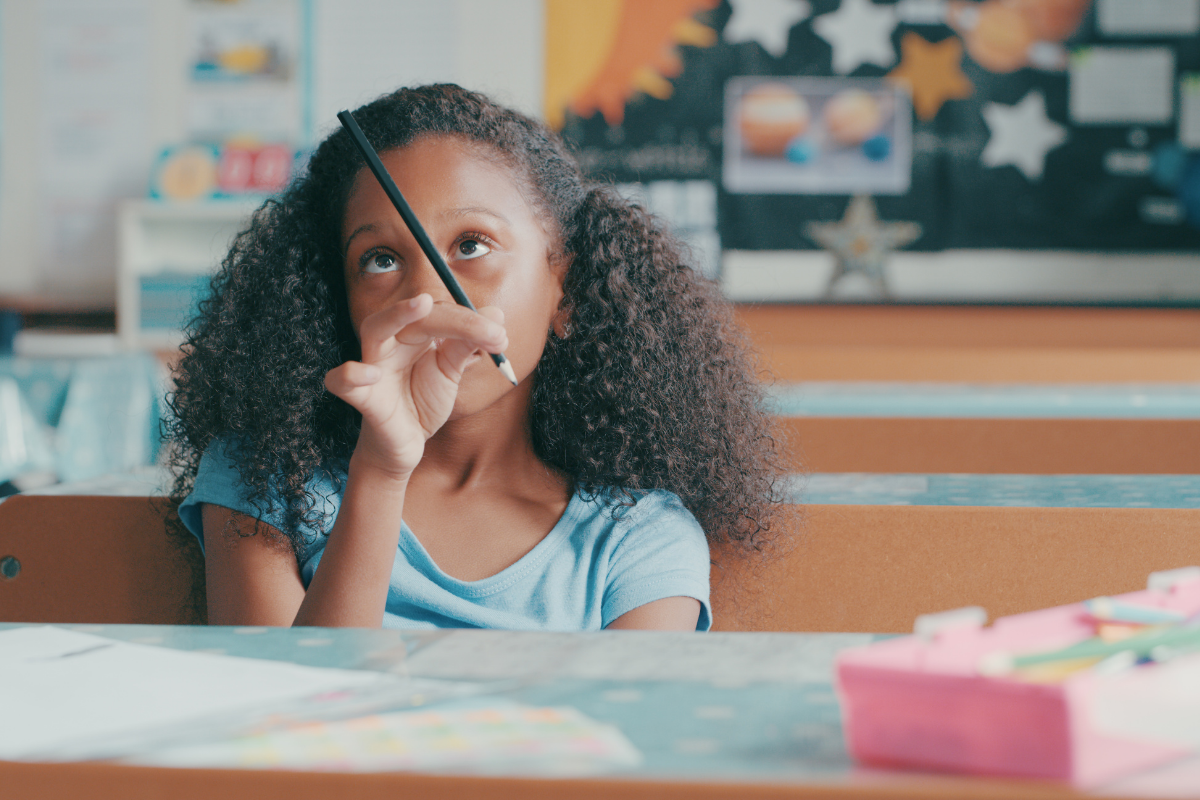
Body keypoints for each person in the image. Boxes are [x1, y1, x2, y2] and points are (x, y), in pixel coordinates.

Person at [165, 84, 785, 631]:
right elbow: (286, 721)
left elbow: (618, 742)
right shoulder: (266, 482)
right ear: (339, 302)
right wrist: (381, 471)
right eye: (380, 259)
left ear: (565, 290)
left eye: (471, 244)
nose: (426, 295)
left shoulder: (639, 538)